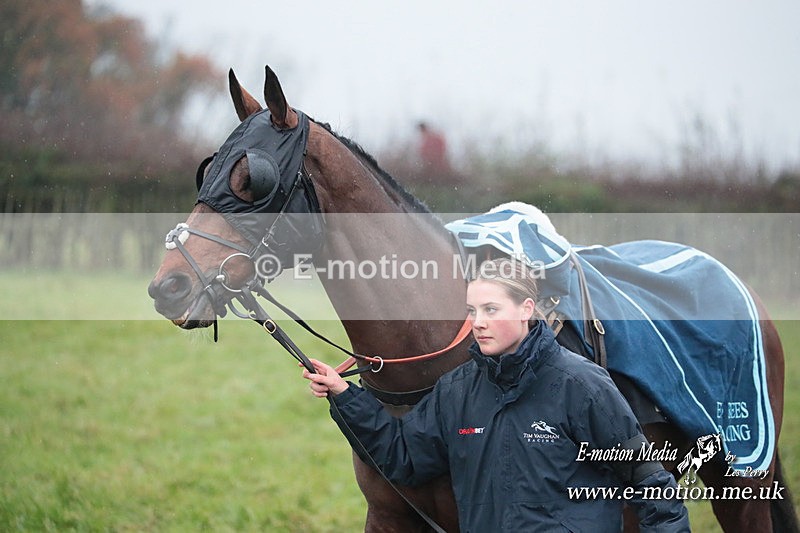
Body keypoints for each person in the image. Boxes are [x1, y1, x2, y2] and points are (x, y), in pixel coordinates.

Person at [302, 258, 690, 532]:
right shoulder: (456, 390)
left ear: (526, 309)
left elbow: (650, 482)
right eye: (472, 310)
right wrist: (344, 395)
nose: (479, 323)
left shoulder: (583, 385)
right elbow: (404, 456)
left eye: (491, 309)